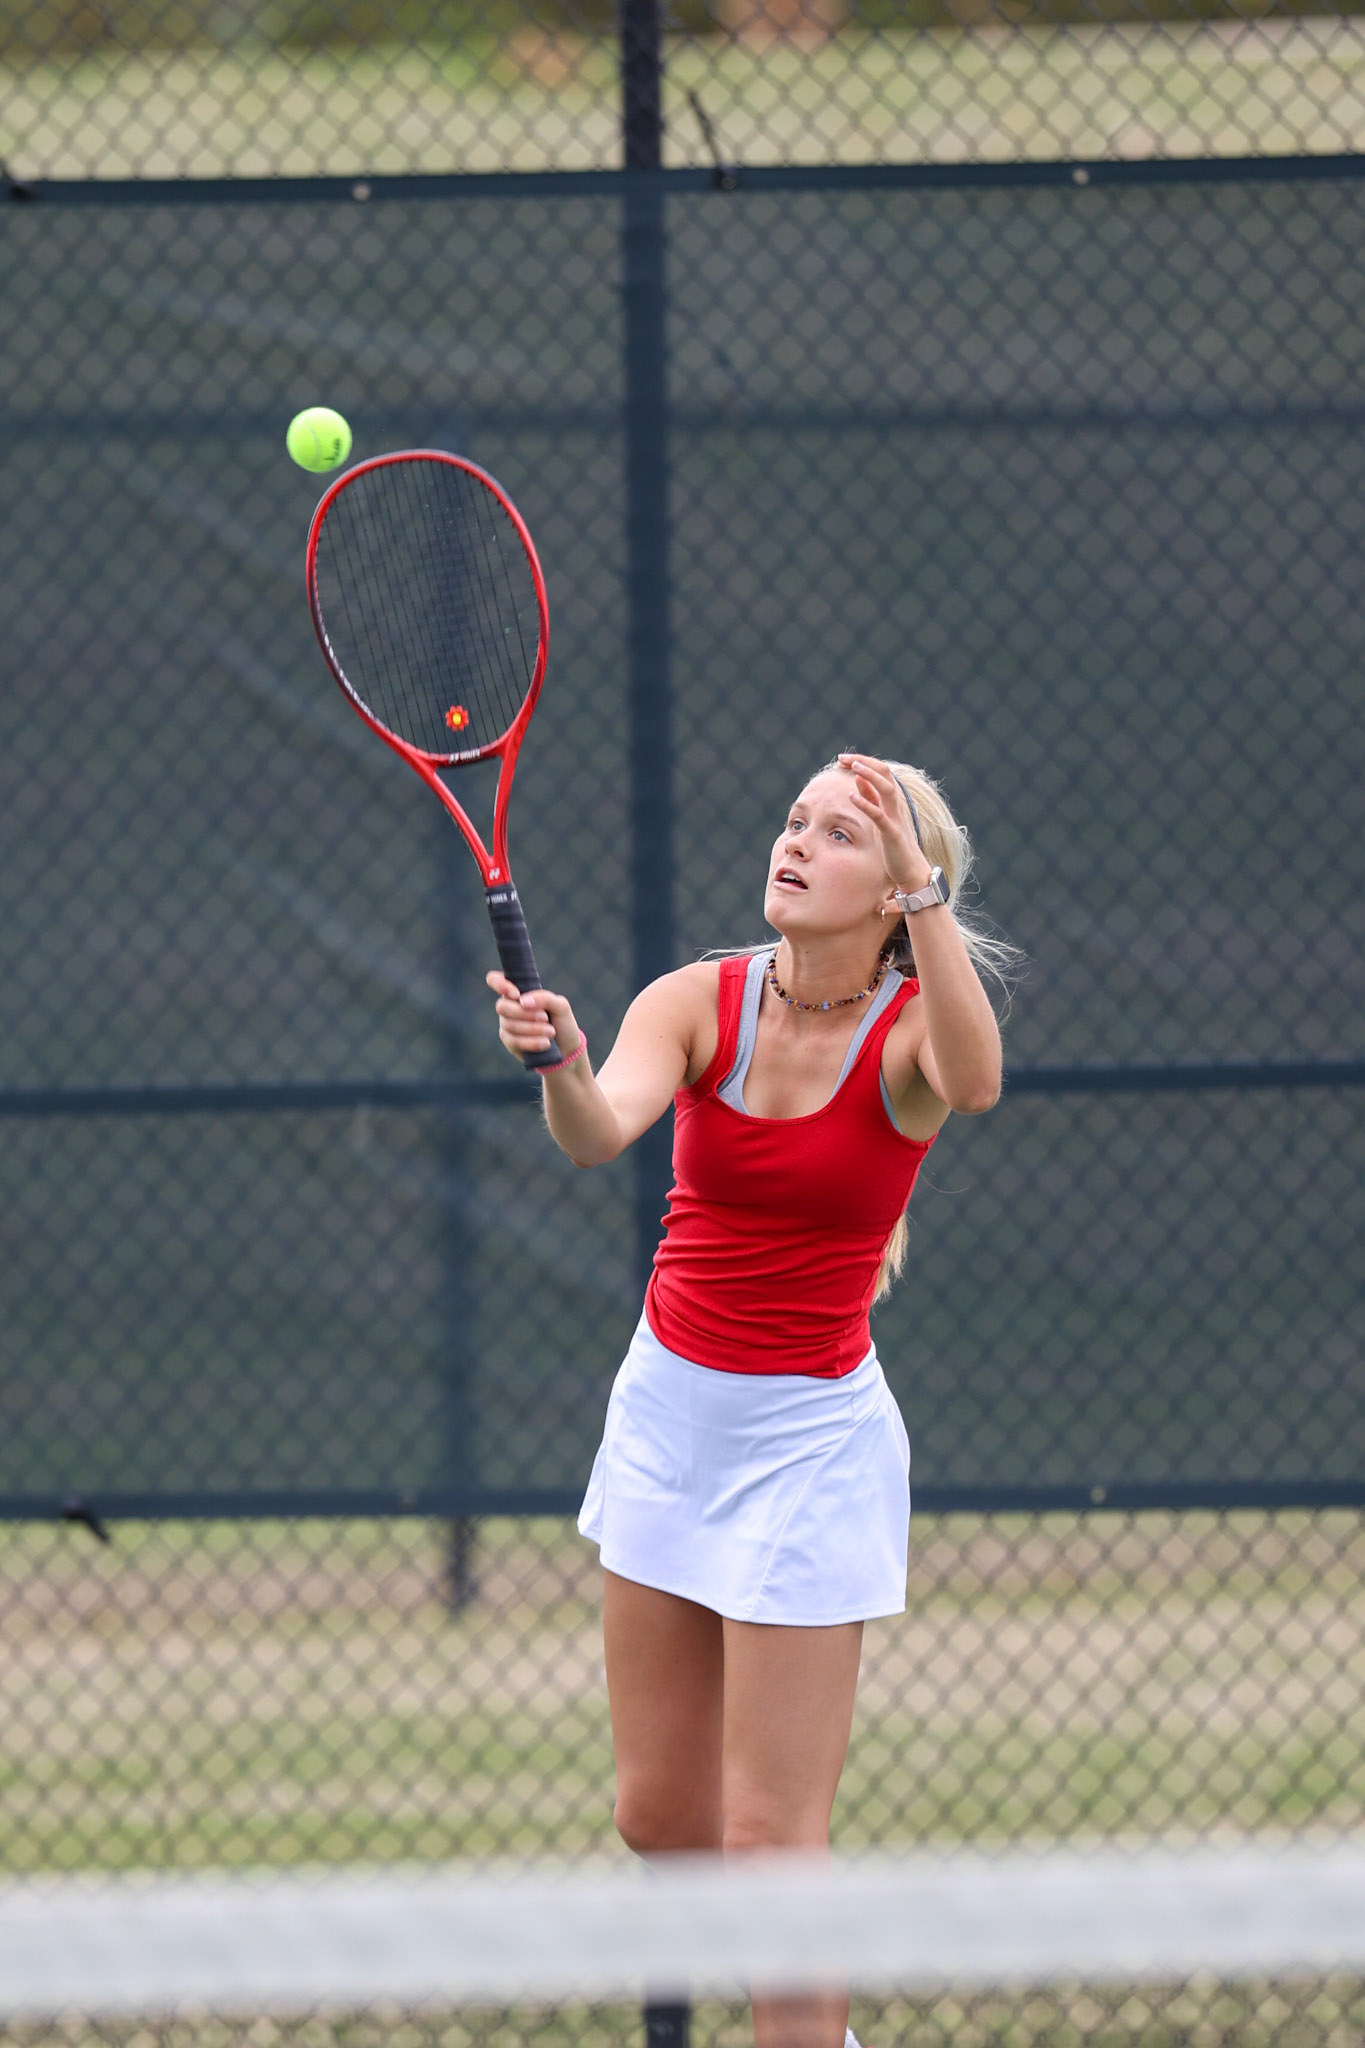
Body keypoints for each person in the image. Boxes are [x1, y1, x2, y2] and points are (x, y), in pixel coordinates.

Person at [486, 751, 1013, 2048]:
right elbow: (601, 1129)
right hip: (667, 1421)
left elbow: (977, 1077)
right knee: (659, 1820)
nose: (795, 845)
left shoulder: (906, 1040)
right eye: (793, 822)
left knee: (776, 1843)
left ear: (895, 890)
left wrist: (926, 892)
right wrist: (558, 1058)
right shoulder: (694, 1000)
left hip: (810, 1447)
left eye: (840, 836)